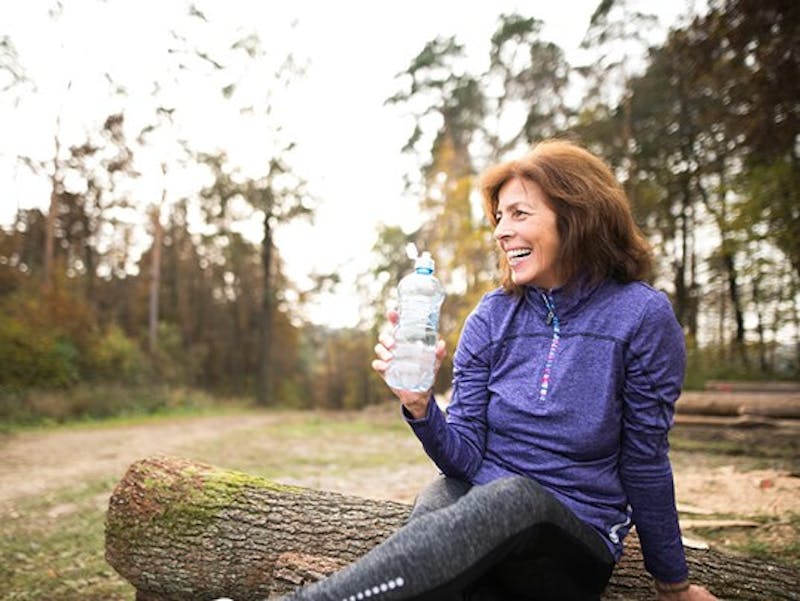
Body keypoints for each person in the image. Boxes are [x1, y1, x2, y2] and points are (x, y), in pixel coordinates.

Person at [284, 139, 718, 600]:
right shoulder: (492, 317)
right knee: (441, 496)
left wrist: (673, 583)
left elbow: (644, 459)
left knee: (513, 497)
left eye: (519, 214)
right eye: (499, 218)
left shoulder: (641, 317)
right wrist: (420, 405)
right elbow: (464, 456)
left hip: (571, 541)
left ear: (577, 216)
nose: (501, 232)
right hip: (483, 524)